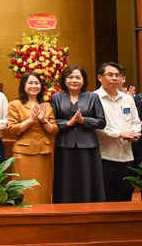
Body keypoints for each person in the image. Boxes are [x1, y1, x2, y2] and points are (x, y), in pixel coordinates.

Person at [51, 64, 106, 203]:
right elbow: (51, 121)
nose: (74, 80)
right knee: (66, 180)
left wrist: (83, 120)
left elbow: (101, 122)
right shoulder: (56, 97)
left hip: (88, 146)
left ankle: (90, 208)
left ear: (83, 80)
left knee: (87, 180)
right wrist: (67, 123)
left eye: (78, 77)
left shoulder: (92, 97)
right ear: (64, 80)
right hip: (65, 145)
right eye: (70, 77)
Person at [6, 72, 57, 204]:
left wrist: (43, 120)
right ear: (23, 85)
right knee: (24, 188)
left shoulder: (47, 105)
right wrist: (31, 120)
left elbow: (54, 130)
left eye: (36, 83)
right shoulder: (15, 104)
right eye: (30, 83)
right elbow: (12, 129)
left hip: (44, 153)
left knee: (43, 188)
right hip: (23, 153)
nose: (34, 86)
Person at [95, 62, 140, 202]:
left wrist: (135, 133)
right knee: (106, 198)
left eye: (117, 75)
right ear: (100, 77)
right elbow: (96, 126)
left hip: (127, 156)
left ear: (122, 78)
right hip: (104, 157)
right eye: (110, 75)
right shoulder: (93, 98)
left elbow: (136, 121)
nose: (114, 78)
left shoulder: (128, 99)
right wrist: (119, 134)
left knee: (125, 197)